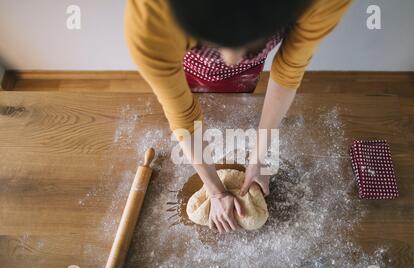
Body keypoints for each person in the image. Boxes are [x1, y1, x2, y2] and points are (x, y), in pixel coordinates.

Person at [125, 0, 352, 233]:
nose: (231, 61)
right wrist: (214, 191)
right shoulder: (150, 21)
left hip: (246, 76)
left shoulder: (323, 3)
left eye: (250, 45)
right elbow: (182, 113)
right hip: (190, 68)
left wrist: (259, 157)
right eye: (213, 42)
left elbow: (289, 70)